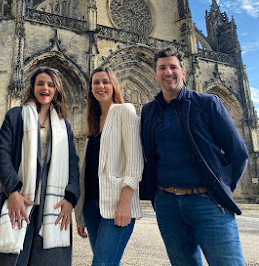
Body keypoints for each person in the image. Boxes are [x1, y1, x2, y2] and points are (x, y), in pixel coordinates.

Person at [141, 46, 249, 266]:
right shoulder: (149, 111)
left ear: (184, 72)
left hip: (207, 201)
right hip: (167, 203)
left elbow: (238, 153)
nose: (168, 72)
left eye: (173, 67)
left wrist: (220, 187)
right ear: (154, 74)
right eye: (162, 68)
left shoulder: (208, 103)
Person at [0, 67, 80, 266]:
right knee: (10, 258)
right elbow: (1, 153)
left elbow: (73, 163)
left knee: (48, 260)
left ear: (57, 90)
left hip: (51, 203)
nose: (45, 88)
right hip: (20, 198)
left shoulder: (64, 126)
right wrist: (12, 191)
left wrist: (70, 198)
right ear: (33, 87)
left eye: (50, 84)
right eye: (40, 83)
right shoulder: (16, 116)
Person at [75, 66, 144, 266]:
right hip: (91, 207)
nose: (101, 86)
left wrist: (125, 203)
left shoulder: (125, 111)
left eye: (105, 82)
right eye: (96, 82)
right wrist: (81, 216)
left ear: (114, 86)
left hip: (117, 205)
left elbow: (135, 161)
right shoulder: (94, 120)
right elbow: (87, 172)